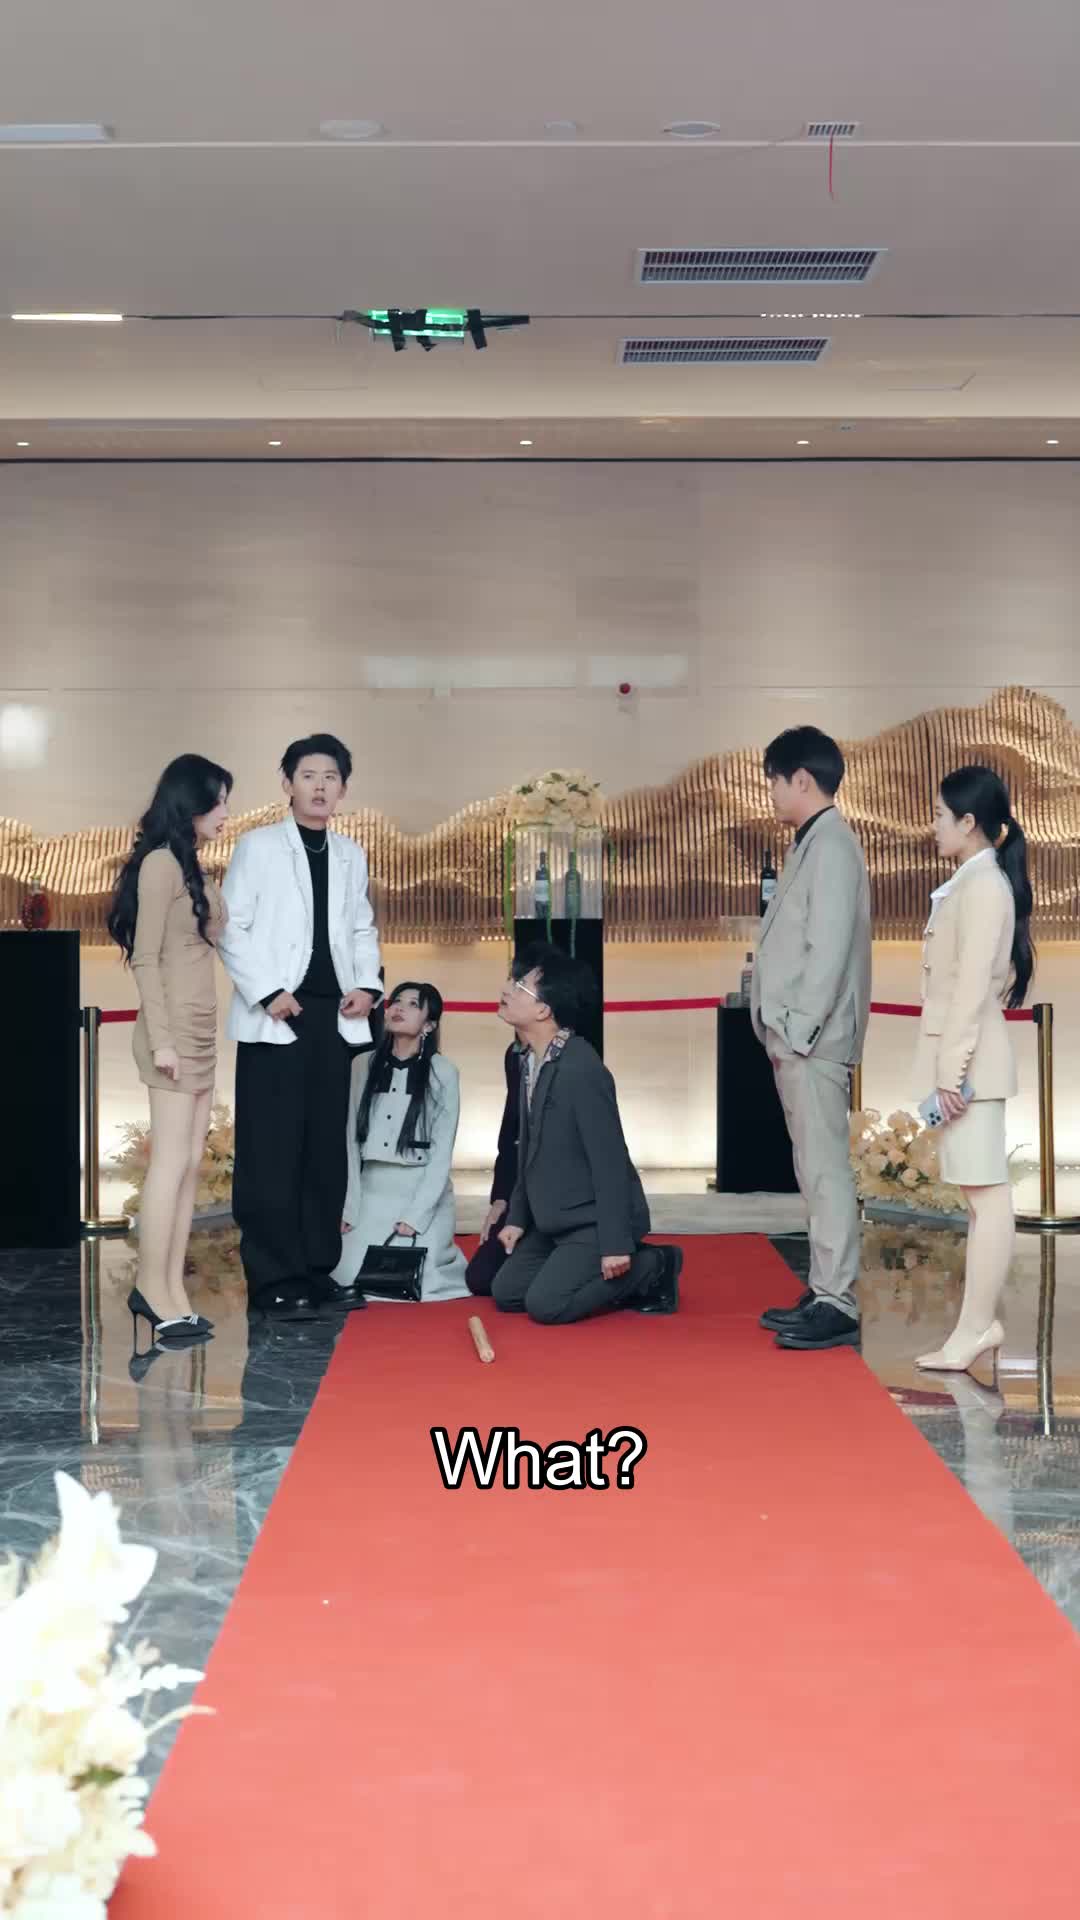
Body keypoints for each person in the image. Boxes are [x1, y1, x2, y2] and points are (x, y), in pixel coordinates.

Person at [218, 733, 382, 1311]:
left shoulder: (350, 854)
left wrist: (367, 985)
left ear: (343, 790)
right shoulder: (258, 847)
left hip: (332, 1018)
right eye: (308, 775)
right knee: (271, 1149)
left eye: (331, 777)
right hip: (276, 1018)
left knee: (323, 1150)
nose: (319, 786)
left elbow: (361, 929)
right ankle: (273, 1278)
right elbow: (230, 926)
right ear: (287, 784)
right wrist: (268, 992)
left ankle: (316, 1269)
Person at [751, 726, 871, 1351]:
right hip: (802, 1037)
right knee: (812, 1165)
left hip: (812, 1040)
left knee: (824, 1168)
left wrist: (796, 1031)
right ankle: (827, 1285)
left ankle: (837, 1299)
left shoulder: (832, 847)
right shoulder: (814, 842)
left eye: (774, 780)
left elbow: (826, 950)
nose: (771, 792)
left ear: (801, 779)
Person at [107, 754, 232, 1348]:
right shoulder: (159, 864)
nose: (226, 813)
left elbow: (213, 937)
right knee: (169, 1165)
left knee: (188, 1165)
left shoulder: (190, 864)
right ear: (191, 802)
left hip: (201, 1030)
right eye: (219, 801)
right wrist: (161, 1041)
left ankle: (171, 1291)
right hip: (172, 1037)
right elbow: (146, 959)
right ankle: (151, 1290)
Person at [913, 767, 1034, 1374]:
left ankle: (977, 1328)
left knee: (988, 1198)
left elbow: (970, 991)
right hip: (967, 1066)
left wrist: (950, 1074)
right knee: (979, 1196)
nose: (933, 825)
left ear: (968, 822)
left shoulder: (984, 886)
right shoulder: (972, 882)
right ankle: (973, 1326)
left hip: (971, 1069)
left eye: (941, 815)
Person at [491, 945, 681, 1324]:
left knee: (546, 1306)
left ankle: (654, 1264)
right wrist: (517, 1217)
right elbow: (528, 1151)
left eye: (520, 986)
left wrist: (615, 1244)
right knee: (506, 1293)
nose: (507, 990)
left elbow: (610, 1162)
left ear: (544, 1010)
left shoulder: (581, 1069)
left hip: (590, 1222)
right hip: (553, 1220)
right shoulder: (529, 1061)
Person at [333, 982, 469, 1302]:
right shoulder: (362, 1065)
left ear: (429, 1025)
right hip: (371, 1190)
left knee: (423, 1281)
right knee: (348, 1275)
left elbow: (442, 1153)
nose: (399, 1008)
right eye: (396, 1001)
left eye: (412, 1004)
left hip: (420, 1190)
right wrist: (349, 1207)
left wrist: (416, 1216)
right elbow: (350, 1141)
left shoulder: (443, 1072)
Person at [465, 1034, 527, 1297]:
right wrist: (500, 1200)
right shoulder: (514, 1054)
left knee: (514, 1288)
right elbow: (510, 1133)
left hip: (557, 1194)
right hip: (520, 1194)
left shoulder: (571, 1055)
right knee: (480, 1278)